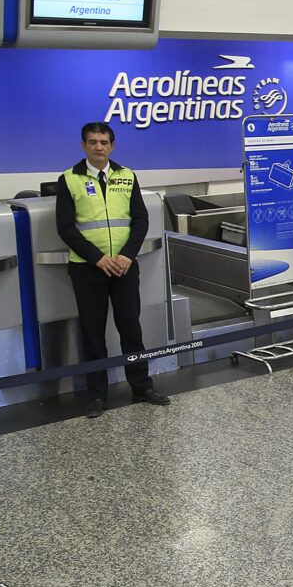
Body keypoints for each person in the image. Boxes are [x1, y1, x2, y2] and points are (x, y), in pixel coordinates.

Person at [56, 122, 171, 418]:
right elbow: (66, 228)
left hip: (124, 267)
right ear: (83, 145)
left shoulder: (126, 176)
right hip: (88, 269)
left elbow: (140, 221)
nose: (98, 147)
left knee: (131, 327)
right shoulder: (69, 179)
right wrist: (98, 258)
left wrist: (126, 256)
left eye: (104, 142)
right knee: (92, 333)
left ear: (112, 145)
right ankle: (96, 396)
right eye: (93, 142)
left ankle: (141, 386)